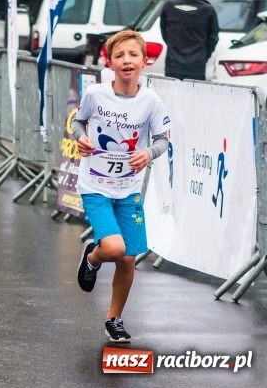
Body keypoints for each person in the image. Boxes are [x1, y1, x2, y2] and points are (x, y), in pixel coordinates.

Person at [73, 29, 171, 343]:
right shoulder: (96, 94)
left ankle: (114, 318)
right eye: (119, 56)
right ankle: (92, 258)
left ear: (145, 61)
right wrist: (81, 138)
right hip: (96, 186)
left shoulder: (151, 100)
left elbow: (162, 140)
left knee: (128, 258)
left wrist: (148, 154)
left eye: (133, 55)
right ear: (110, 63)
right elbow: (78, 121)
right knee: (113, 249)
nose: (126, 60)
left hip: (128, 188)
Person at [160, 0, 219, 81]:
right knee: (193, 96)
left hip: (173, 63)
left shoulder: (170, 6)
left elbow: (164, 30)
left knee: (172, 96)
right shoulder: (207, 10)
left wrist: (173, 46)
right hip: (196, 65)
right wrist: (204, 55)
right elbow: (213, 38)